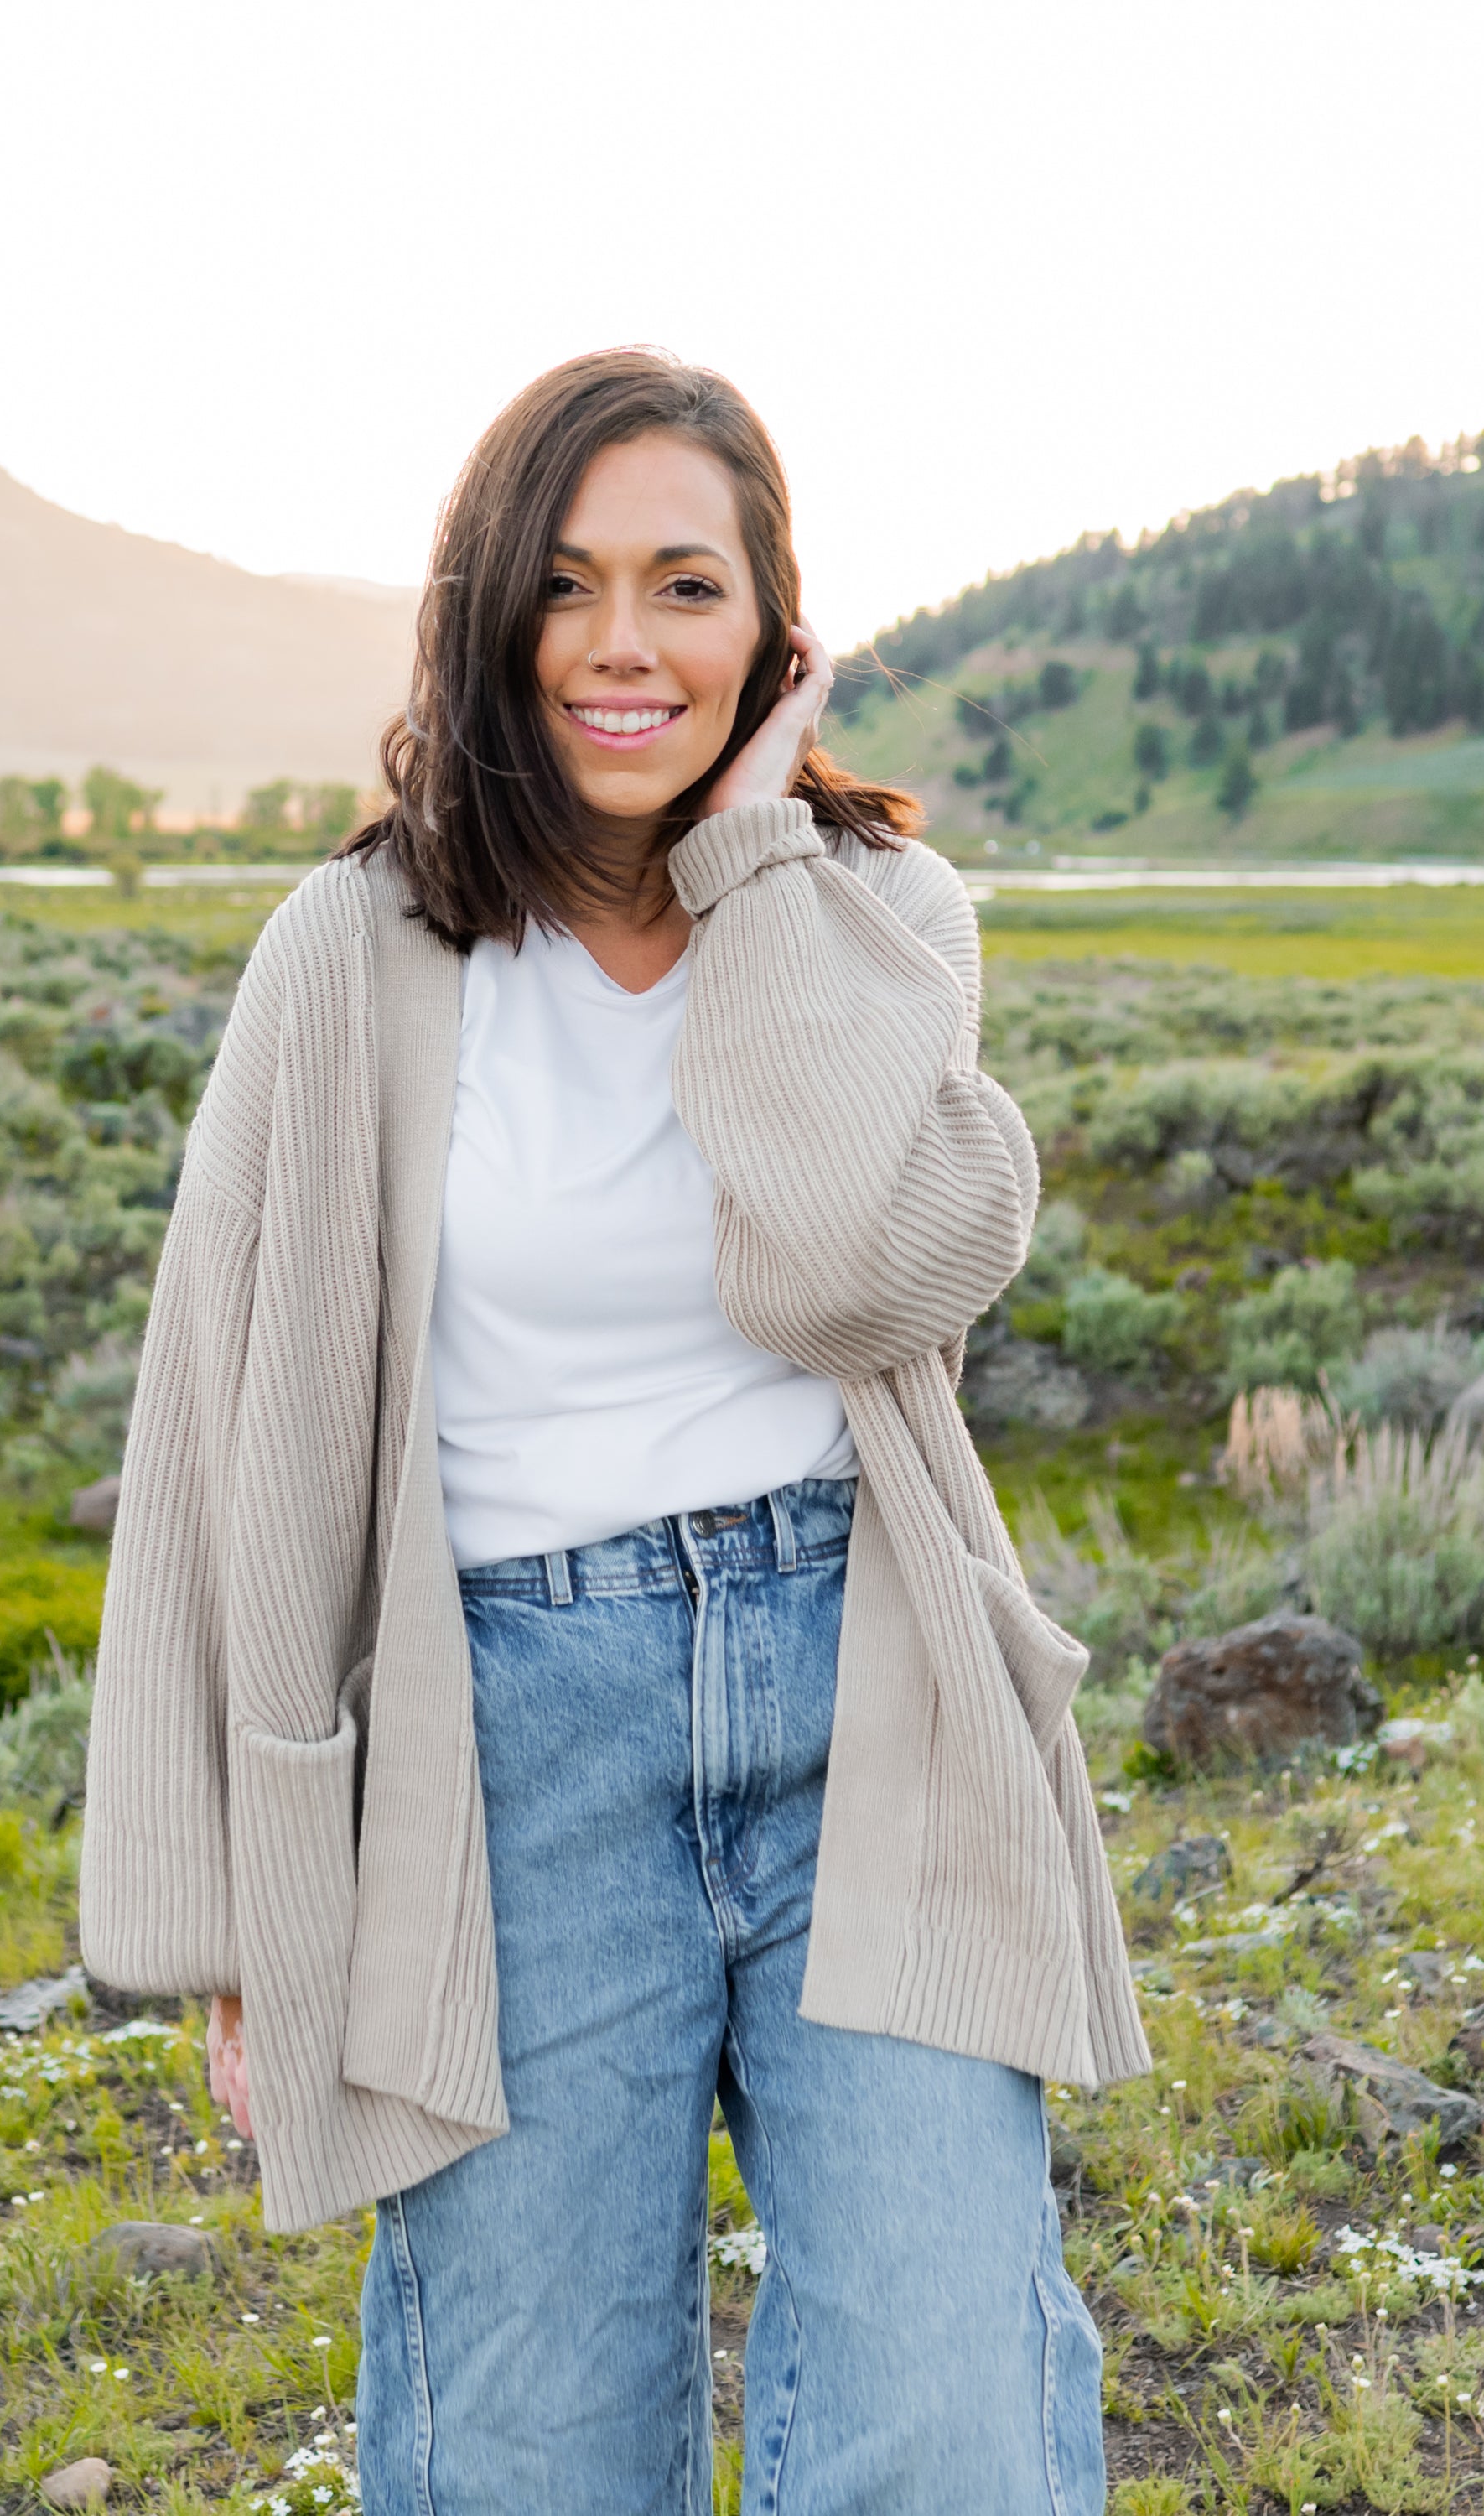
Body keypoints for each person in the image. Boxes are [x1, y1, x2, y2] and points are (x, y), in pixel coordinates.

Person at [81, 347, 1149, 2515]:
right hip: (512, 1760)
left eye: (685, 586)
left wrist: (757, 856)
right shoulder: (356, 955)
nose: (623, 646)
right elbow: (229, 1430)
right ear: (492, 614)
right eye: (568, 588)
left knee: (951, 2428)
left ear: (773, 628)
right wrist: (235, 1923)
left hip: (869, 1704)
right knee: (534, 2458)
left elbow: (852, 1268)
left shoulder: (881, 919)